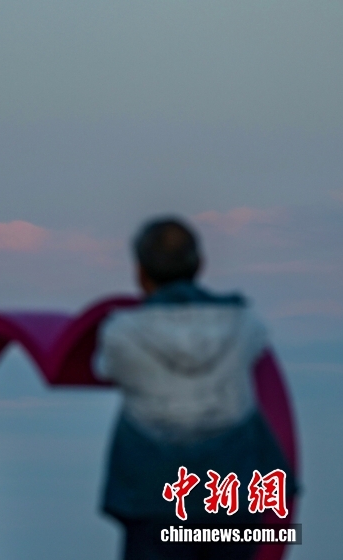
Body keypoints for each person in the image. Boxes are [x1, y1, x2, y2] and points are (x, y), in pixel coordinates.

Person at [94, 217, 296, 560]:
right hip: (232, 490)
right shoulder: (244, 324)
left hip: (154, 495)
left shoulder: (120, 333)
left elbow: (104, 368)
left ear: (140, 273)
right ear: (200, 264)